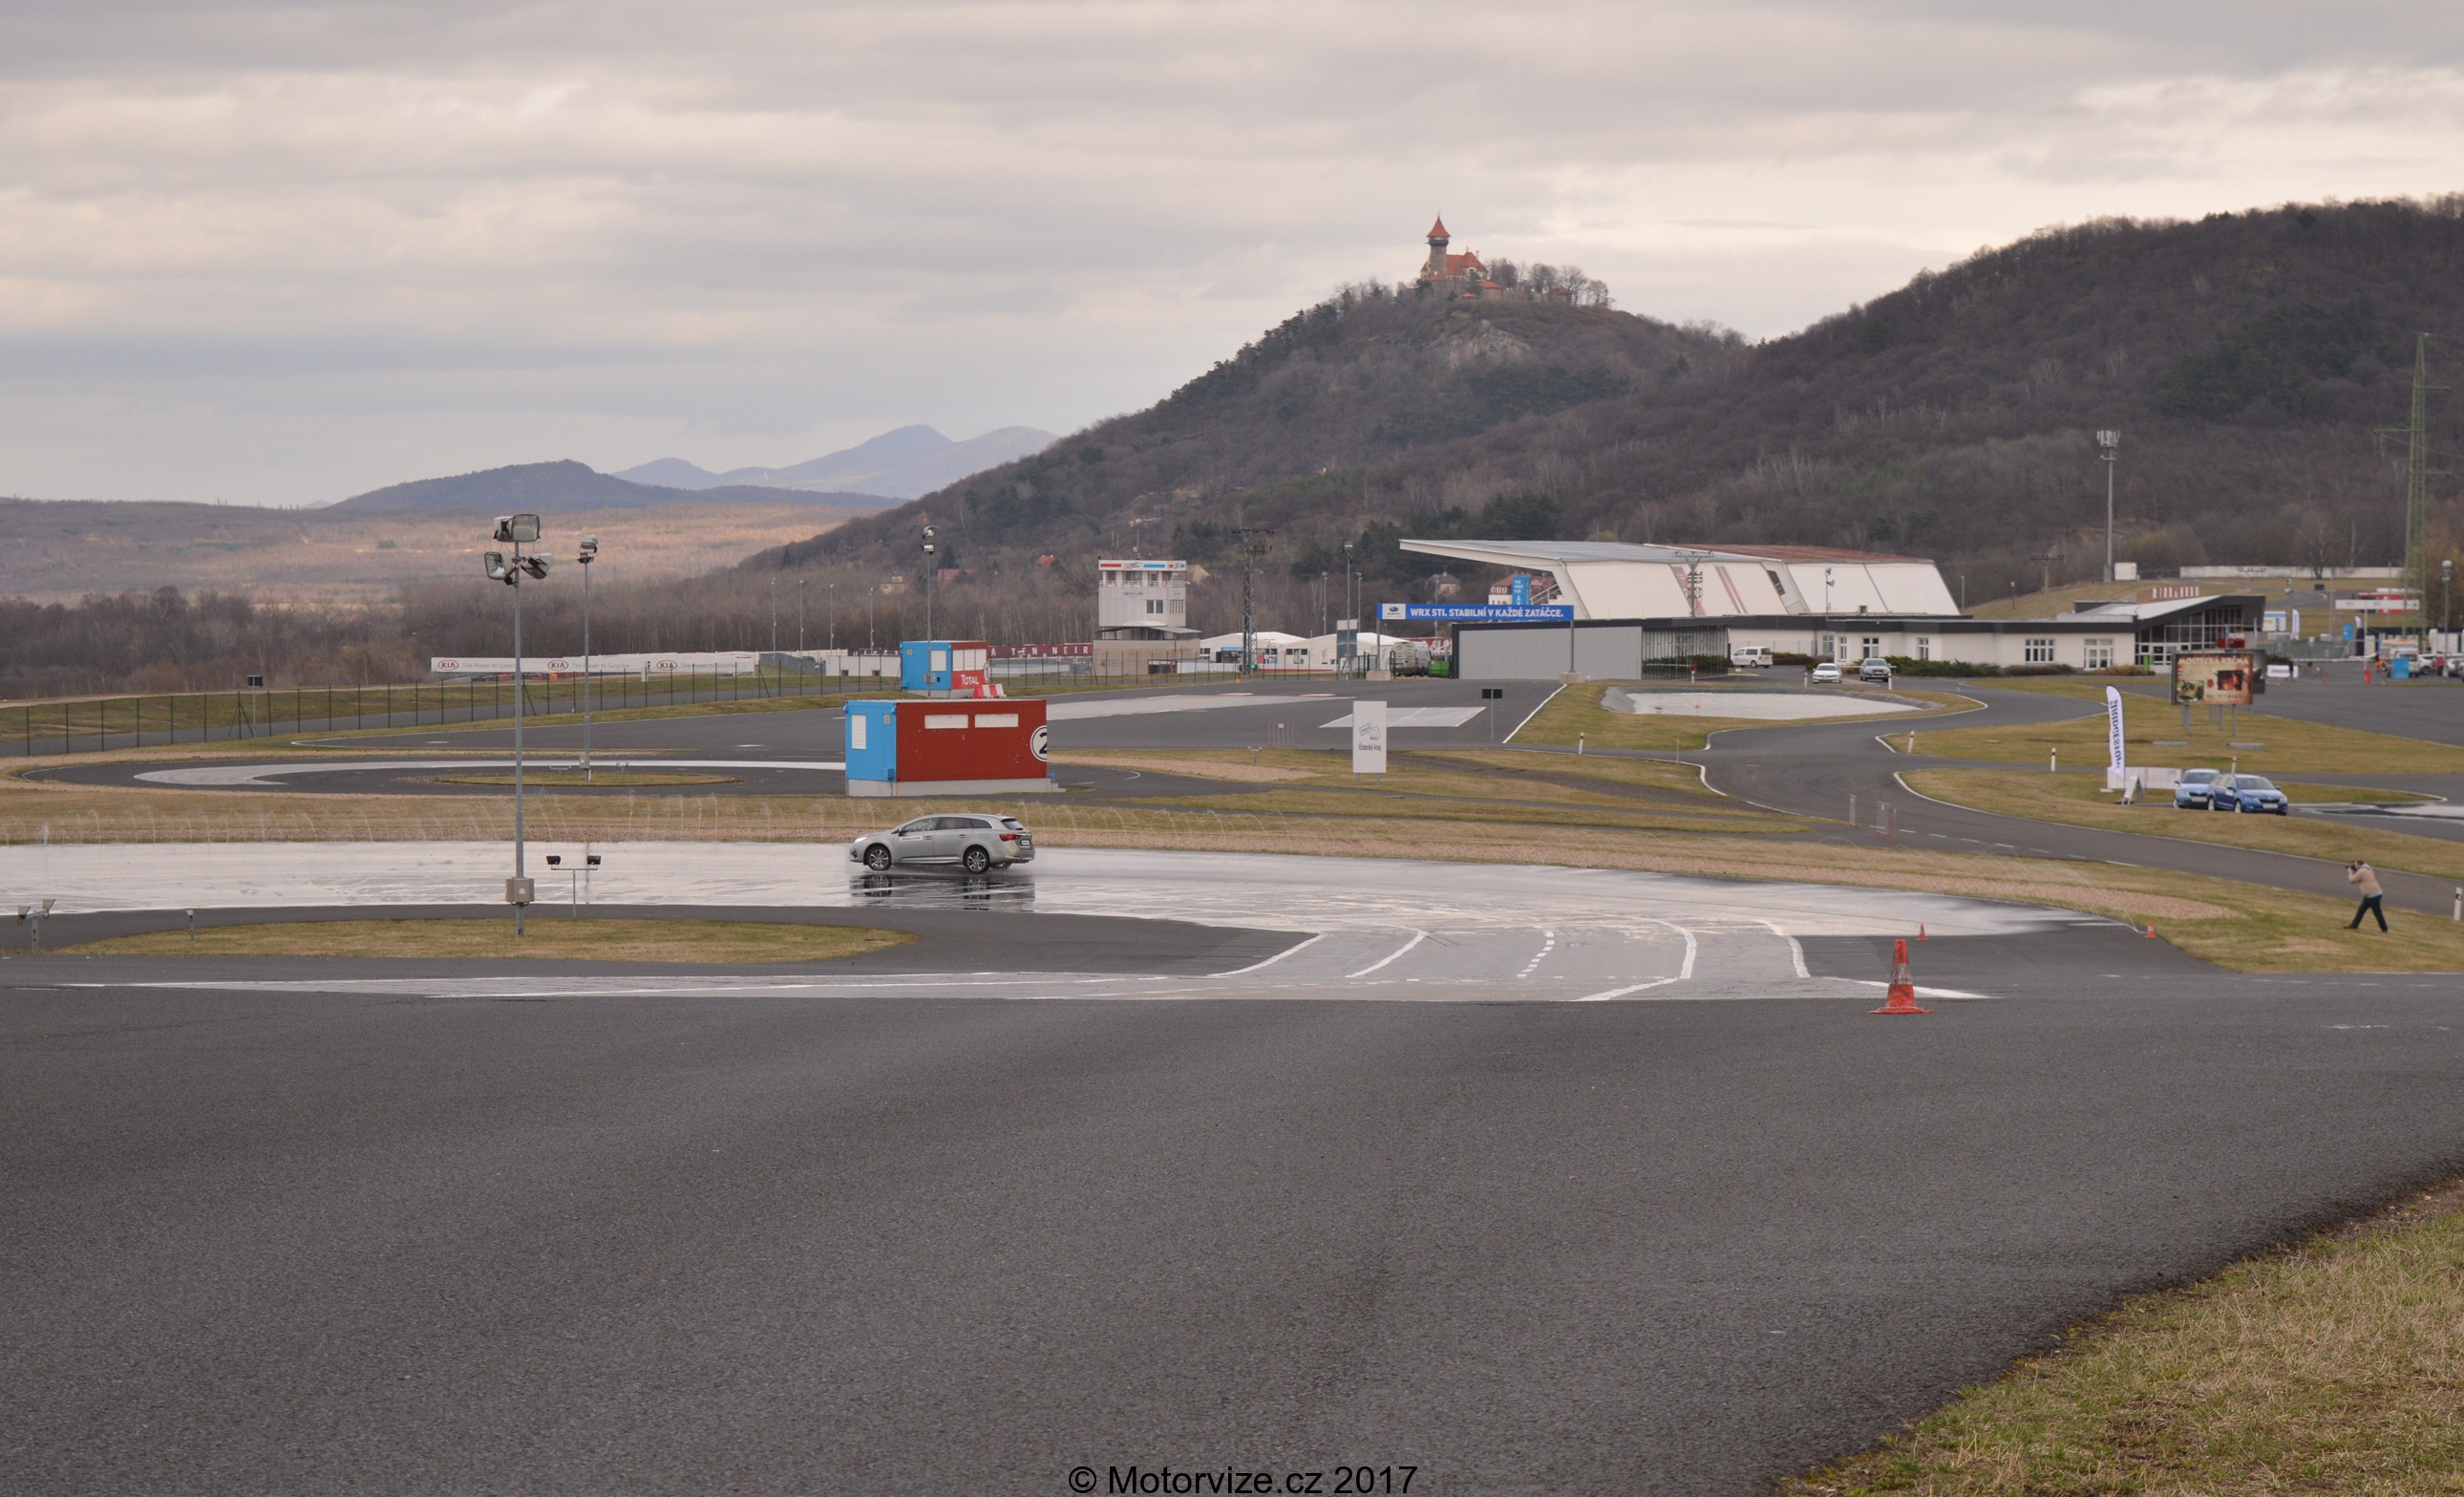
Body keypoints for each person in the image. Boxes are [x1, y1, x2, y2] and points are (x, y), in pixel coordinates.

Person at [2346, 861, 2387, 931]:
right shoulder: (2368, 869)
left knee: (2377, 912)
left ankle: (2384, 928)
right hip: (2370, 895)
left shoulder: (2362, 871)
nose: (2354, 866)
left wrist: (2350, 872)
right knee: (2361, 911)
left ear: (2359, 865)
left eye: (2355, 865)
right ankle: (2354, 925)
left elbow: (2352, 880)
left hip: (2373, 895)